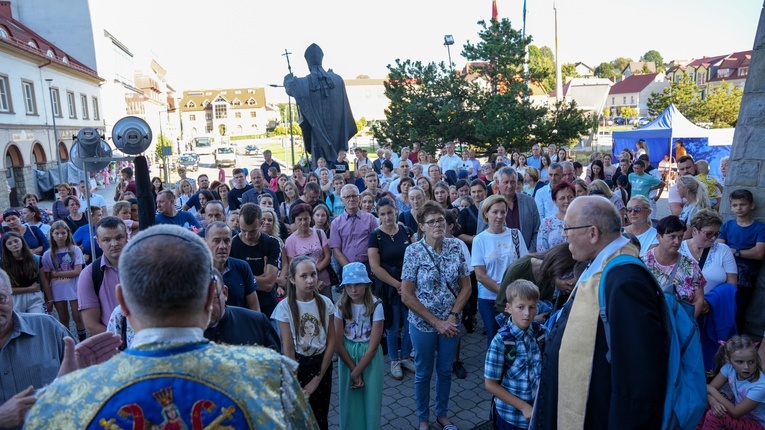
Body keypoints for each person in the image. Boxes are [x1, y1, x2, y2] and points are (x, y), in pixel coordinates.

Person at [26, 224, 314, 429]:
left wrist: (60, 394)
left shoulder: (69, 398)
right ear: (211, 297)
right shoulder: (270, 375)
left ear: (123, 303)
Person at [531, 196, 668, 429]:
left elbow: (638, 383)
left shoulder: (626, 282)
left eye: (568, 228)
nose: (564, 235)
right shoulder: (602, 265)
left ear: (593, 233)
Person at [0, 269, 121, 429]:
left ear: (11, 296)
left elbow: (80, 384)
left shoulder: (47, 328)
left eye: (1, 298)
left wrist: (84, 377)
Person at [401, 201, 471, 430]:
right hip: (423, 325)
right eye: (431, 222)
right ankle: (423, 419)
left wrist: (451, 316)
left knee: (444, 371)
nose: (437, 225)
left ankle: (442, 414)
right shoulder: (413, 251)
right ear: (421, 226)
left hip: (450, 323)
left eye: (441, 219)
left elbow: (466, 287)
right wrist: (436, 323)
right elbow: (407, 296)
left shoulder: (456, 247)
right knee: (423, 372)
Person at [272, 256, 336, 430]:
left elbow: (332, 341)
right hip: (297, 366)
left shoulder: (326, 303)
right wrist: (294, 383)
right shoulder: (284, 308)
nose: (310, 280)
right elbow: (288, 349)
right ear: (292, 279)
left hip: (321, 364)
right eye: (304, 276)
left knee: (320, 415)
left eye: (313, 274)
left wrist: (318, 377)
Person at [485, 279, 547, 430]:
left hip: (538, 414)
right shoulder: (501, 342)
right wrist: (523, 406)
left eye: (532, 307)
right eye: (520, 307)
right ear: (508, 308)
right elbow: (490, 384)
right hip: (511, 418)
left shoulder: (542, 333)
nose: (527, 313)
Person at [285, 43, 357, 167]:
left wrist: (288, 77)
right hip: (336, 131)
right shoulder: (337, 79)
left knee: (319, 159)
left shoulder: (304, 82)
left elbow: (290, 86)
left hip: (317, 133)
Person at [368, 197, 416, 381]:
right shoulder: (376, 236)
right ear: (378, 215)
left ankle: (405, 356)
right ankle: (394, 360)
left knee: (411, 323)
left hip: (410, 286)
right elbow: (375, 267)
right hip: (389, 289)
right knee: (393, 325)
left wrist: (407, 284)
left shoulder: (406, 230)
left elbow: (416, 256)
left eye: (390, 212)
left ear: (395, 210)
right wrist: (397, 284)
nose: (387, 217)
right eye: (383, 214)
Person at [472, 195, 528, 348]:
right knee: (495, 339)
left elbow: (524, 265)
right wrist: (504, 293)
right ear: (486, 214)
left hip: (515, 298)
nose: (499, 216)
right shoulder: (480, 239)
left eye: (503, 212)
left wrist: (512, 295)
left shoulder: (515, 235)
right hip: (490, 300)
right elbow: (480, 275)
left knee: (516, 337)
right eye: (495, 212)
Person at [334, 262, 384, 430]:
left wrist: (356, 372)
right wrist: (352, 369)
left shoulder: (377, 305)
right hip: (347, 353)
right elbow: (338, 343)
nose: (353, 289)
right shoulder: (340, 306)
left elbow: (374, 346)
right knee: (349, 399)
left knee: (371, 398)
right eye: (348, 285)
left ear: (367, 284)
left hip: (369, 356)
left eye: (358, 284)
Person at [719, 189, 765, 336]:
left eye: (743, 204)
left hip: (747, 276)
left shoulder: (760, 228)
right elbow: (720, 248)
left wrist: (735, 252)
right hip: (725, 272)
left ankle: (735, 340)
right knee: (722, 306)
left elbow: (759, 253)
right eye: (735, 205)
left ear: (751, 205)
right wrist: (735, 252)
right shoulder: (727, 226)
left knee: (738, 310)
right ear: (731, 207)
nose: (739, 208)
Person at [642, 216, 706, 318]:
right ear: (659, 237)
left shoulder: (690, 266)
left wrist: (686, 323)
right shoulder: (644, 263)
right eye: (672, 236)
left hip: (681, 328)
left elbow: (699, 299)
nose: (677, 241)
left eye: (680, 237)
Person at [699, 335, 765, 429]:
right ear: (728, 360)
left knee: (715, 415)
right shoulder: (729, 368)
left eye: (751, 362)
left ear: (756, 360)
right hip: (742, 415)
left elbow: (735, 412)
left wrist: (711, 390)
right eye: (740, 362)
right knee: (704, 401)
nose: (746, 367)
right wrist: (713, 402)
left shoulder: (761, 385)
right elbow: (709, 389)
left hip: (759, 425)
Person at [77, 216, 127, 336]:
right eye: (106, 240)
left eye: (119, 237)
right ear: (98, 242)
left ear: (127, 237)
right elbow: (91, 326)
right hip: (115, 348)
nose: (114, 244)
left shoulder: (146, 266)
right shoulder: (89, 275)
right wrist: (125, 341)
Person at [231, 203, 280, 317]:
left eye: (252, 231)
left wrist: (241, 277)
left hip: (267, 308)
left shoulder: (271, 243)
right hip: (241, 309)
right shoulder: (232, 244)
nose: (247, 236)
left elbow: (268, 284)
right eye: (243, 230)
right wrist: (260, 277)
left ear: (261, 223)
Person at [41, 221, 86, 340]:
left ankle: (82, 340)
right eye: (57, 233)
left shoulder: (75, 250)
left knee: (78, 316)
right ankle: (67, 342)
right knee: (63, 318)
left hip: (74, 286)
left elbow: (77, 271)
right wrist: (48, 296)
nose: (60, 236)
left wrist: (57, 274)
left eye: (63, 233)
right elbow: (47, 276)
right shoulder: (47, 254)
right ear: (52, 235)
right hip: (57, 289)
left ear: (68, 233)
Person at [204, 221, 260, 312]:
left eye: (226, 241)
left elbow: (255, 308)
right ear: (206, 243)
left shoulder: (242, 267)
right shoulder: (196, 271)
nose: (222, 246)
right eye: (216, 241)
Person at [285, 204, 333, 299]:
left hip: (323, 281)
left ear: (311, 218)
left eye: (306, 219)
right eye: (299, 219)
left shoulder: (319, 233)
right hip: (304, 284)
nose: (303, 222)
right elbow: (293, 265)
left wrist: (316, 271)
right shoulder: (290, 240)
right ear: (294, 221)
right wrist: (310, 277)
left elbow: (327, 256)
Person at [330, 185, 378, 270]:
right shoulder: (336, 223)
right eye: (347, 197)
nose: (351, 199)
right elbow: (337, 252)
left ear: (359, 197)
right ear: (342, 200)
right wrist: (350, 269)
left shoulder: (370, 219)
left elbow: (376, 245)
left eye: (354, 196)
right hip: (346, 268)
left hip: (368, 266)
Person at [495, 167, 540, 252]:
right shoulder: (488, 205)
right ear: (497, 183)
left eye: (512, 182)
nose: (510, 186)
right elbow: (483, 235)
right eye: (506, 182)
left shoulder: (529, 202)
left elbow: (537, 231)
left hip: (527, 256)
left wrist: (528, 254)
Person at [1, 232, 48, 314]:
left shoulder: (35, 259)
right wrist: (29, 289)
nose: (14, 244)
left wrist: (49, 299)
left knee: (38, 321)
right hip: (15, 298)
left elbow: (44, 281)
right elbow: (6, 289)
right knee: (20, 324)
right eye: (9, 243)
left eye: (16, 241)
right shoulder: (2, 264)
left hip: (34, 297)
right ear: (6, 246)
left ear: (22, 241)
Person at [537, 181, 575, 253]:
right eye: (562, 198)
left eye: (570, 197)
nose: (567, 201)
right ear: (555, 201)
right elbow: (541, 249)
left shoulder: (581, 221)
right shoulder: (547, 222)